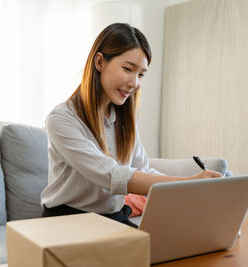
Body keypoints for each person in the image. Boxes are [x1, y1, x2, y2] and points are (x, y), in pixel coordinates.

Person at [40, 23, 221, 228]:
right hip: (67, 221)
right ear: (99, 62)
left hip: (110, 218)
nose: (134, 83)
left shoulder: (123, 120)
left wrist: (194, 185)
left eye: (141, 74)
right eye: (128, 69)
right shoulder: (62, 119)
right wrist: (187, 184)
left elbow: (143, 171)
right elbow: (112, 176)